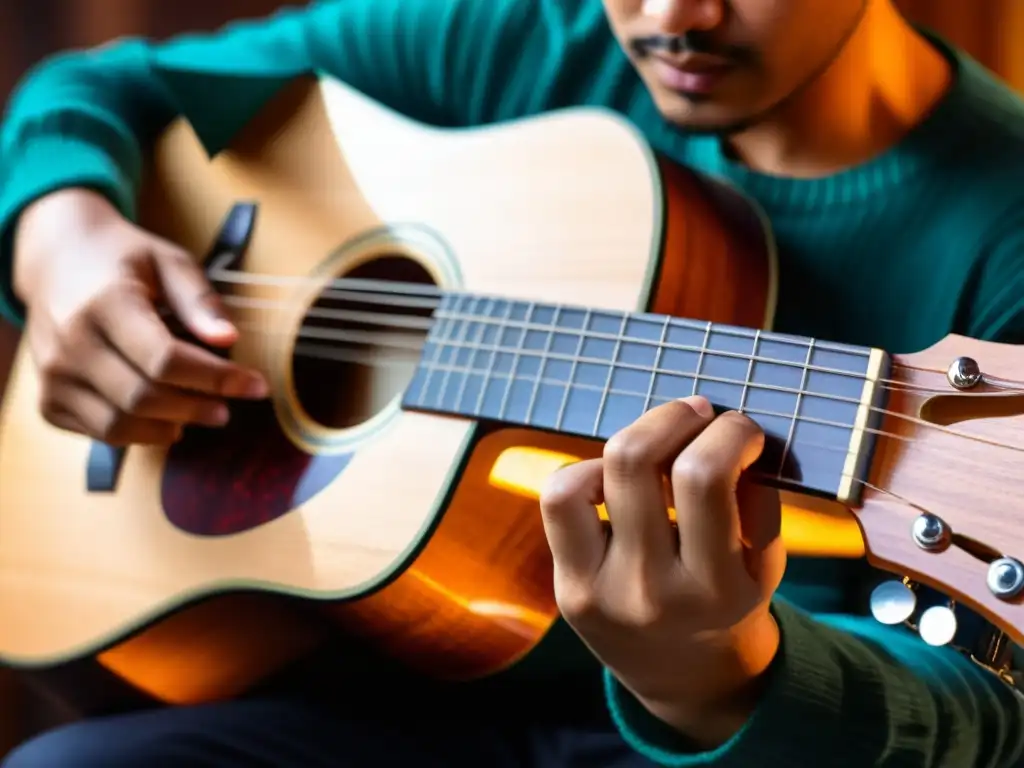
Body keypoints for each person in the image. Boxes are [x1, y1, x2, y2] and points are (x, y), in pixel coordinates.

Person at [1, 0, 1024, 764]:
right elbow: (104, 86)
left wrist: (719, 669)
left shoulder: (1003, 226)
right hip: (389, 696)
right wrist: (63, 241)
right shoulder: (520, 37)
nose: (674, 18)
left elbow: (993, 711)